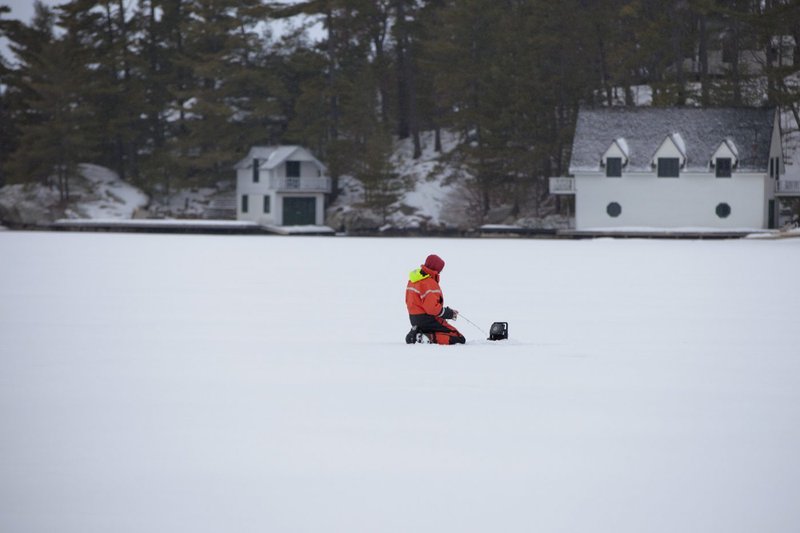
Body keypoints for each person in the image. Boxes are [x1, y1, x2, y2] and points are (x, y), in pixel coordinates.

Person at [405, 254, 465, 345]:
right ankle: (426, 338)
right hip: (427, 319)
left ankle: (418, 334)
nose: (440, 272)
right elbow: (432, 309)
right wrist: (448, 313)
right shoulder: (429, 283)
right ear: (435, 268)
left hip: (414, 319)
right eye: (440, 269)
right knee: (458, 338)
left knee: (441, 331)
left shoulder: (414, 280)